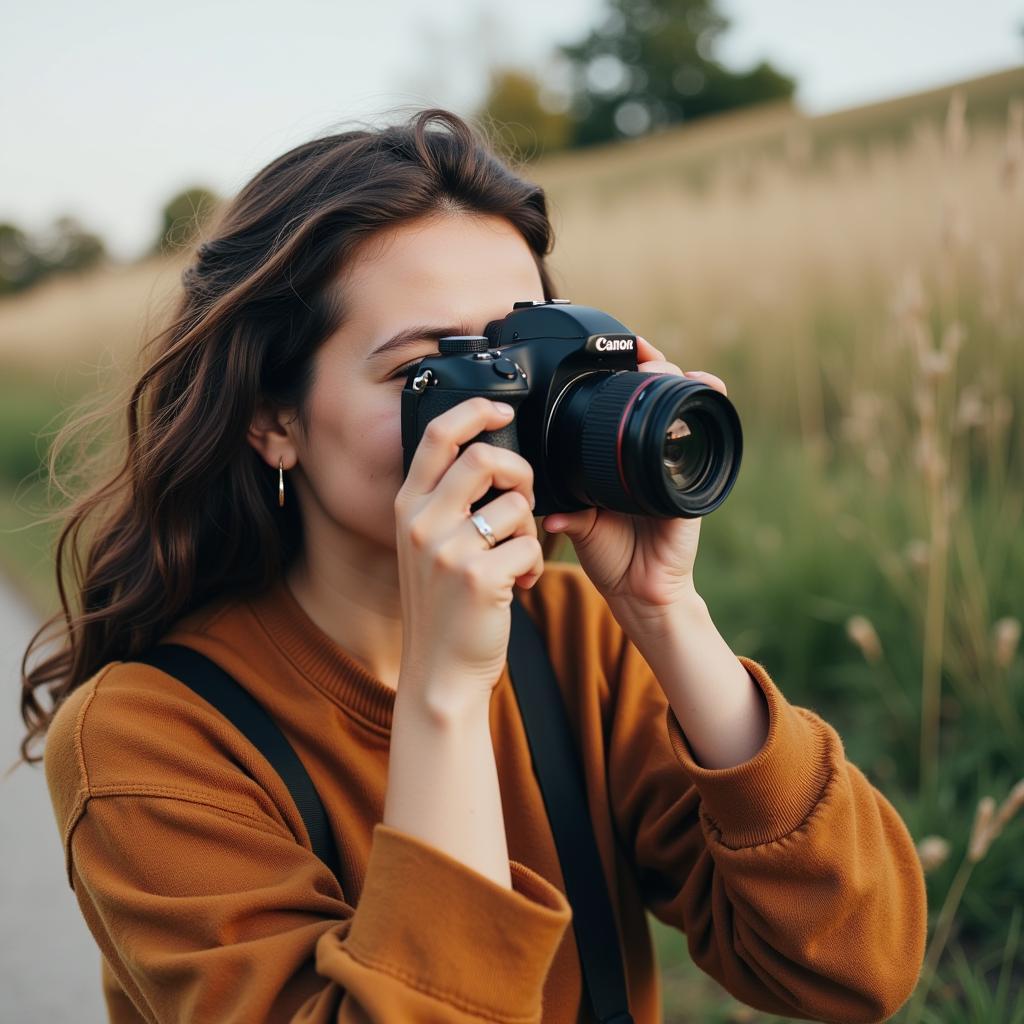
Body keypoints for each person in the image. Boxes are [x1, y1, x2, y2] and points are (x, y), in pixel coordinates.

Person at [19, 107, 927, 1024]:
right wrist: (447, 692)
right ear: (274, 419)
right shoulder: (144, 741)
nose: (495, 413)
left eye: (519, 357)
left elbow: (853, 966)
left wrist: (665, 610)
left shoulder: (579, 639)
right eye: (432, 369)